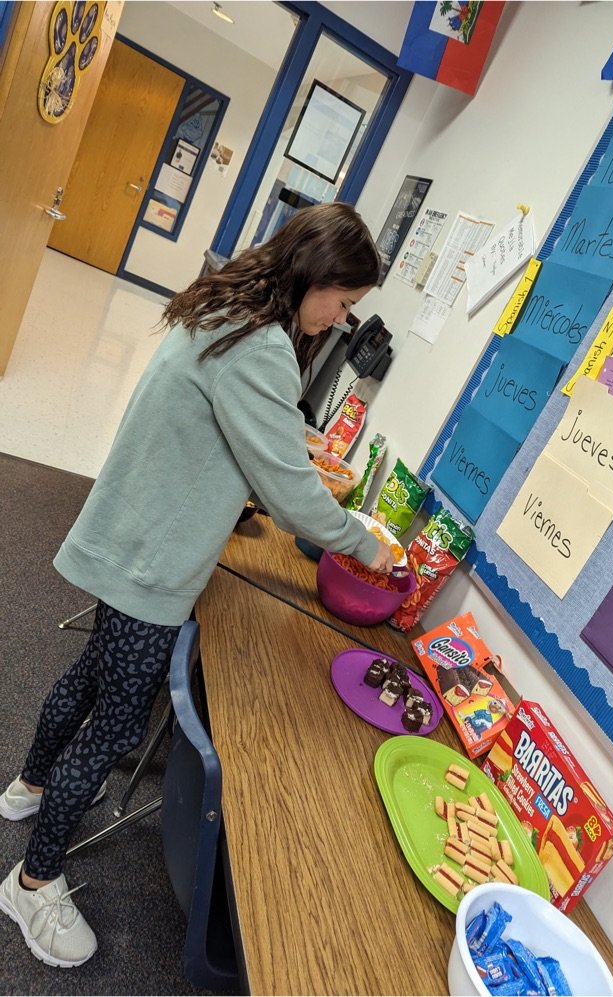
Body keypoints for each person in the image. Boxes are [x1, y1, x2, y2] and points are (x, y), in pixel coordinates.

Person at [0, 202, 394, 968]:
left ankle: (28, 786)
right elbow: (287, 489)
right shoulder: (263, 346)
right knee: (114, 726)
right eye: (343, 303)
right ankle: (32, 880)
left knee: (87, 677)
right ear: (316, 277)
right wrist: (363, 542)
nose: (341, 320)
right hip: (150, 558)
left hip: (128, 530)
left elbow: (242, 435)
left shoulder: (229, 300)